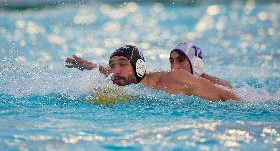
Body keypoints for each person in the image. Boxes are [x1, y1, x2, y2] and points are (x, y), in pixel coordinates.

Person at [65, 45, 240, 102]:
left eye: (123, 64)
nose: (115, 71)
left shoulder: (176, 79)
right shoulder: (124, 79)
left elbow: (226, 97)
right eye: (112, 65)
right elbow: (115, 73)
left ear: (139, 67)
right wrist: (91, 67)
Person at [169, 42, 234, 89]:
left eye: (181, 60)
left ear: (195, 63)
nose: (175, 66)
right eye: (171, 61)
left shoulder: (217, 85)